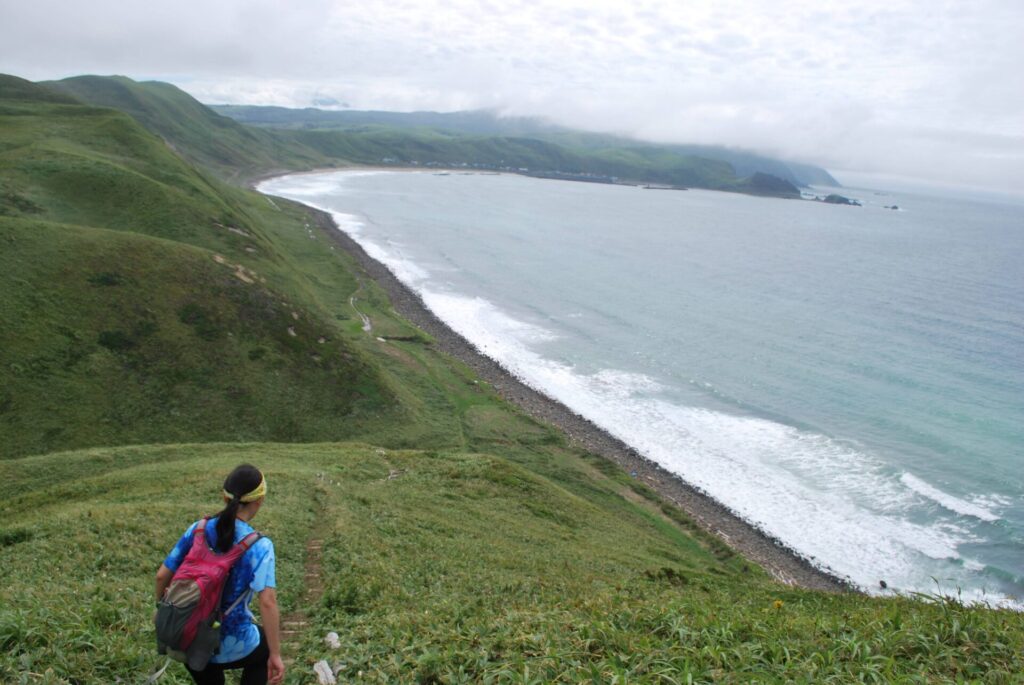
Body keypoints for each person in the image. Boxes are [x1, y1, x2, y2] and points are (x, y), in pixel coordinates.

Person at [155, 464, 285, 685]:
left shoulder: (198, 529)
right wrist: (276, 655)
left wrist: (165, 610)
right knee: (263, 652)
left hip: (190, 636)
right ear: (259, 500)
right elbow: (268, 602)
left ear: (224, 497)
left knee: (204, 669)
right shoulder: (260, 545)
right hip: (235, 643)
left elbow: (161, 576)